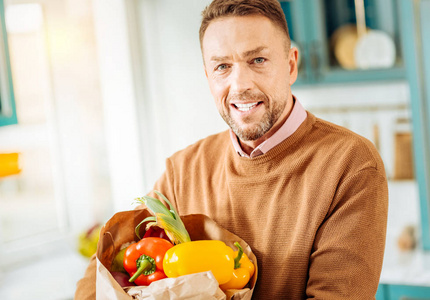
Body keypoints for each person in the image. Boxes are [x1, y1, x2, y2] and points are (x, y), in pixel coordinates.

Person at [75, 0, 388, 299]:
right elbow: (103, 270)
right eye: (223, 66)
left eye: (258, 60)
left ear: (291, 65)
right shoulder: (183, 169)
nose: (240, 85)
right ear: (208, 76)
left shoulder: (350, 163)